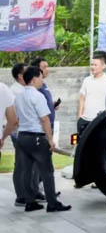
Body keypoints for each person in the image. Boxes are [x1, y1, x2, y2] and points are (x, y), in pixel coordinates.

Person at [14, 66, 71, 212]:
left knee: (26, 171)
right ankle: (52, 203)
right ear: (34, 79)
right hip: (37, 137)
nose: (42, 80)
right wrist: (50, 139)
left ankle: (30, 202)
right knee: (47, 171)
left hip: (22, 136)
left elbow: (17, 118)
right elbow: (44, 119)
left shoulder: (19, 96)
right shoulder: (38, 96)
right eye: (40, 77)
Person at [9, 63, 40, 206]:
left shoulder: (25, 90)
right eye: (27, 71)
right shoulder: (15, 91)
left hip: (28, 131)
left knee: (32, 163)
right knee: (22, 164)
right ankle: (21, 196)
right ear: (20, 76)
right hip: (20, 132)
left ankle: (33, 191)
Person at [78, 54, 106, 133]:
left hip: (100, 121)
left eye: (95, 65)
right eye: (92, 64)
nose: (93, 67)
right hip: (85, 120)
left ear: (103, 66)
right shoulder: (87, 80)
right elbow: (82, 99)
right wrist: (80, 116)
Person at [30, 58, 57, 130]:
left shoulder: (43, 84)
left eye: (47, 67)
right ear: (37, 69)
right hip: (42, 129)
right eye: (44, 67)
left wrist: (51, 104)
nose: (47, 70)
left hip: (49, 126)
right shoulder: (35, 85)